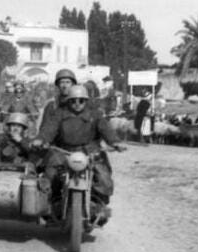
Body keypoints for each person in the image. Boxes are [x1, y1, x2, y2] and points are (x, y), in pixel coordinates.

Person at [31, 84, 126, 226]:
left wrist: (115, 142)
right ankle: (50, 205)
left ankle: (100, 206)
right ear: (68, 101)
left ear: (86, 101)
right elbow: (49, 128)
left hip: (89, 151)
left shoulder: (95, 114)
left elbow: (106, 129)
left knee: (103, 177)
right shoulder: (60, 114)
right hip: (64, 151)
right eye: (73, 100)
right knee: (50, 175)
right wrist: (41, 139)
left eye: (81, 100)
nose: (77, 104)